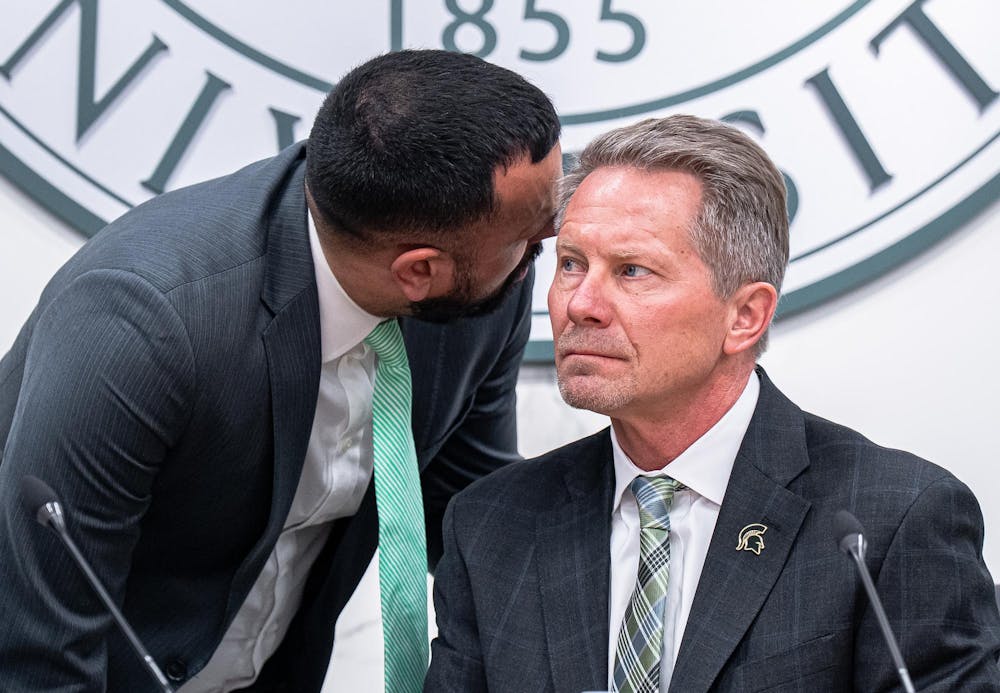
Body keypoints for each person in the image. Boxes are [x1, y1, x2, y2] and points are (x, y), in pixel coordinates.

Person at [0, 50, 562, 692]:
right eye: (532, 236)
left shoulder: (482, 293)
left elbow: (471, 515)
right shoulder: (143, 323)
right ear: (418, 271)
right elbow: (37, 657)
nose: (545, 250)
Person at [425, 115, 1000, 692]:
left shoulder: (892, 518)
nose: (581, 304)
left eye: (632, 271)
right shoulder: (493, 524)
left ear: (745, 316)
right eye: (572, 264)